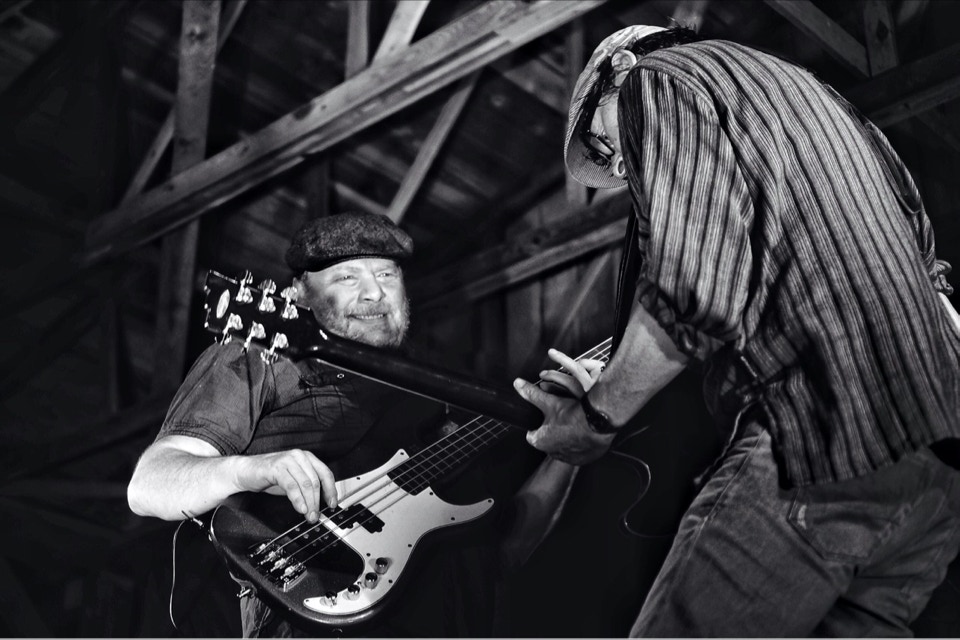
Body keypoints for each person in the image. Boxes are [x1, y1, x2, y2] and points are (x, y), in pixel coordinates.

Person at [513, 24, 960, 636]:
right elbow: (927, 269)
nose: (619, 164)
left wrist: (595, 418)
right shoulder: (827, 103)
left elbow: (693, 287)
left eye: (601, 140)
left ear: (620, 67)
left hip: (827, 435)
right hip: (940, 470)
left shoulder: (660, 79)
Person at [127, 211, 591, 637]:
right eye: (347, 277)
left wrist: (571, 445)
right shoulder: (261, 355)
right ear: (298, 293)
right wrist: (254, 469)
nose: (374, 293)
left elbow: (503, 553)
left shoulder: (442, 400)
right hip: (315, 612)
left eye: (387, 274)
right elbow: (149, 484)